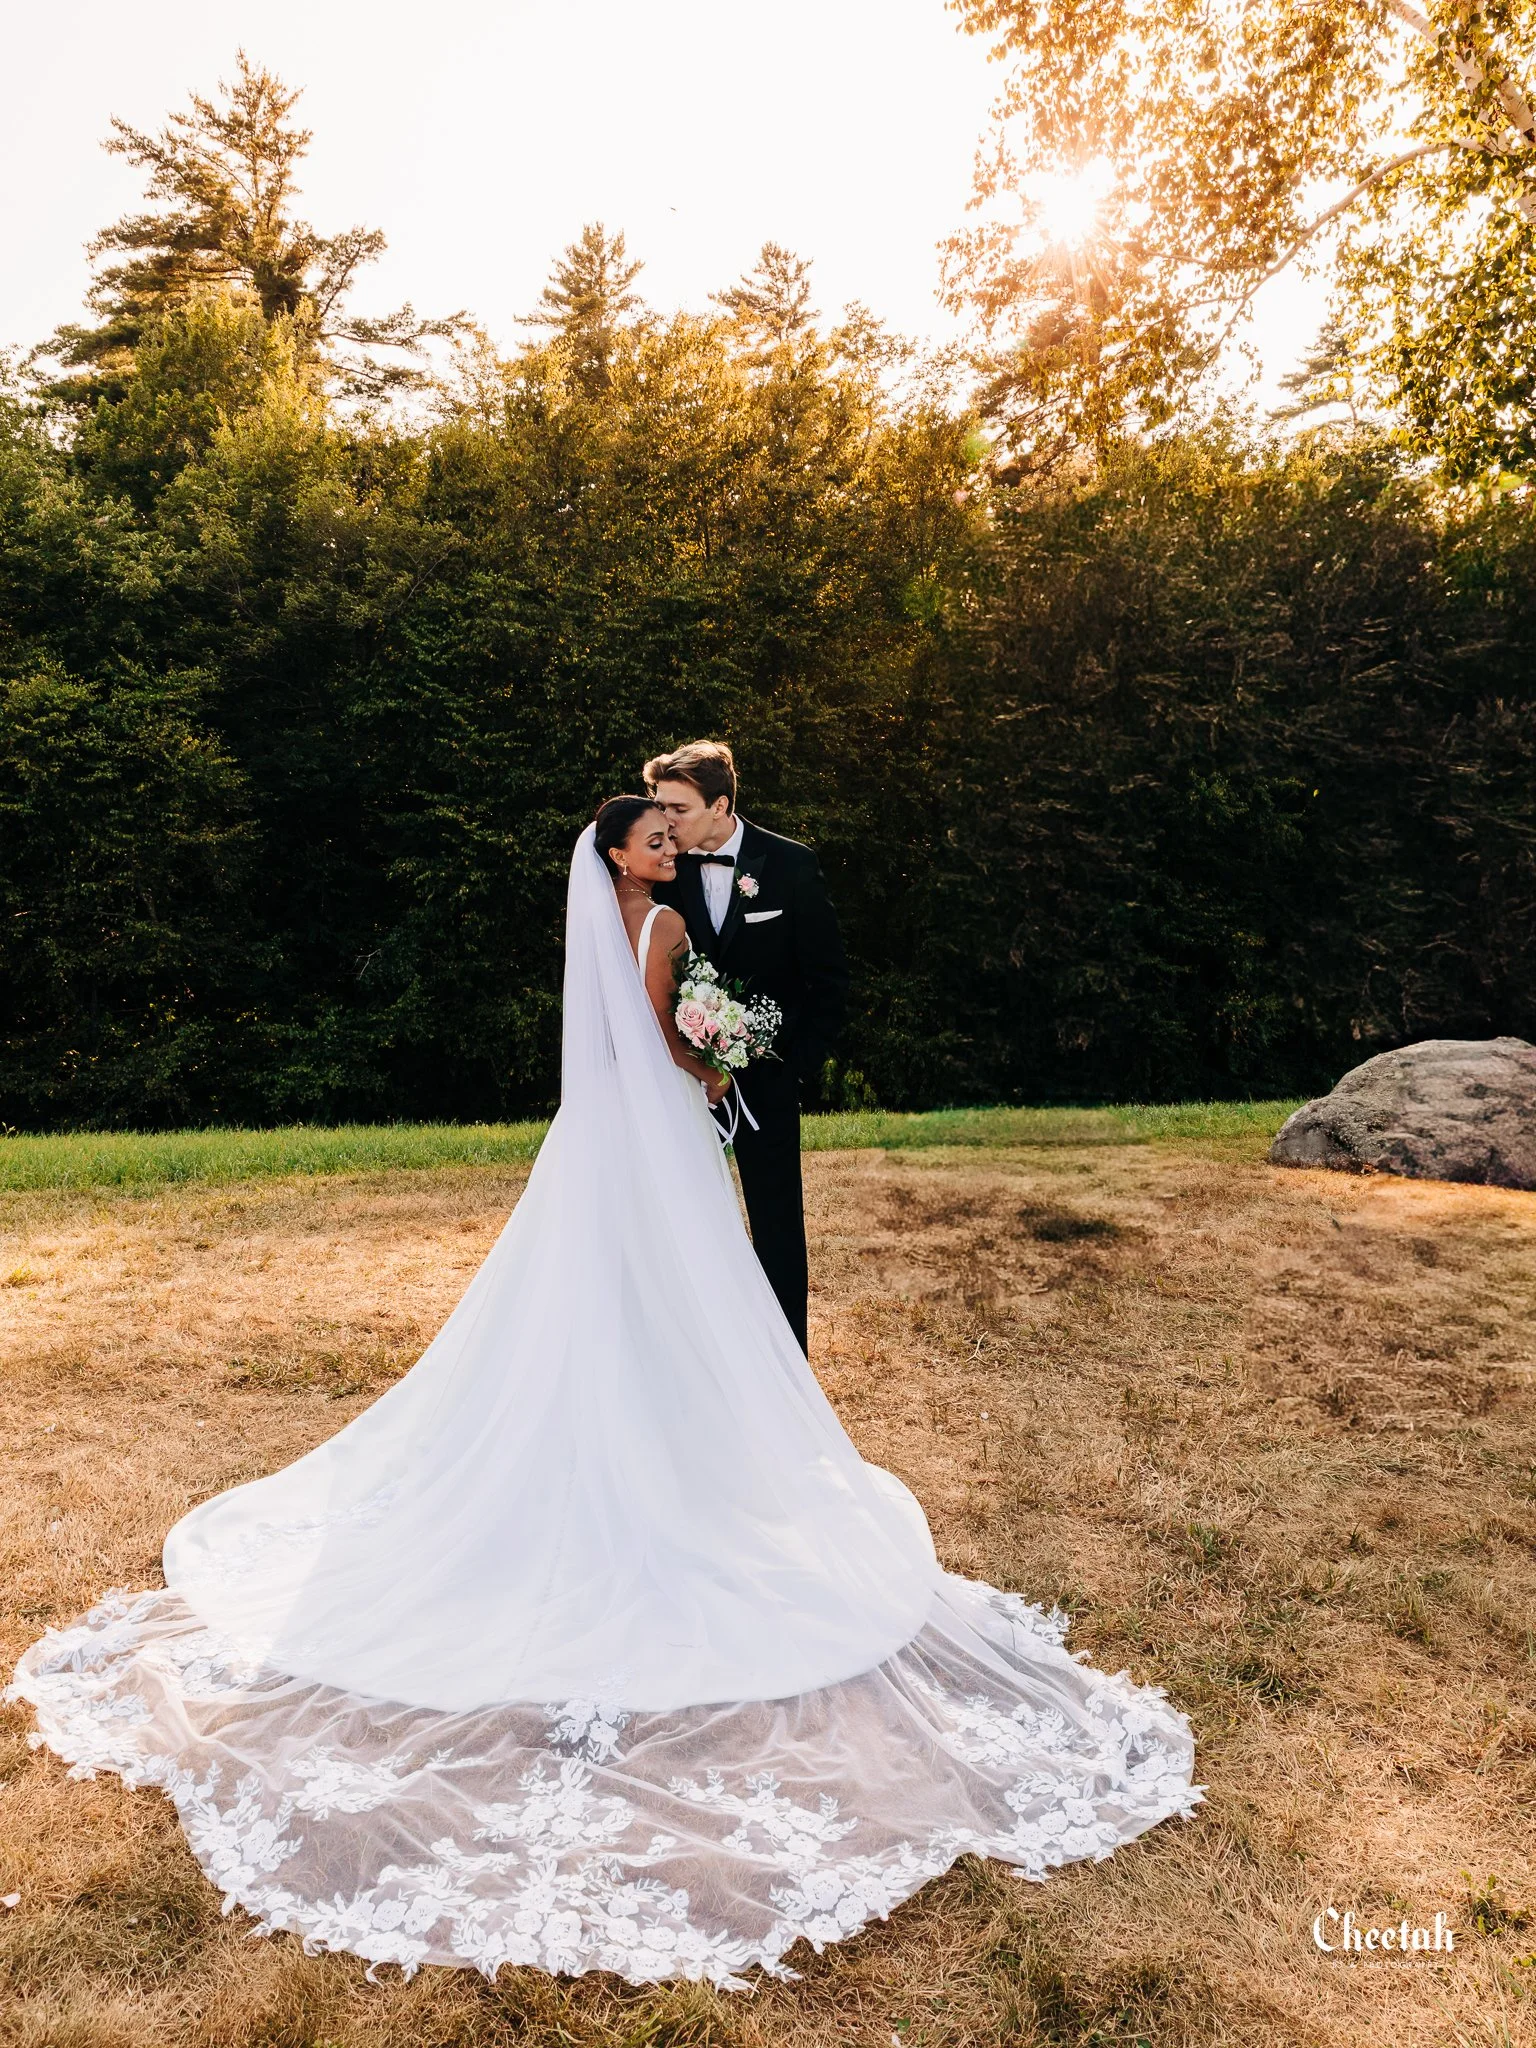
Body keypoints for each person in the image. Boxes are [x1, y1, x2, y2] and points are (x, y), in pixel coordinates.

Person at [10, 803, 1199, 1992]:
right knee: (684, 1292)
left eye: (673, 838)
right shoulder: (668, 921)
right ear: (621, 855)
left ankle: (610, 1440)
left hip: (595, 1143)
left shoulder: (602, 920)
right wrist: (729, 1045)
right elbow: (684, 1051)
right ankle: (674, 1458)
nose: (669, 850)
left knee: (601, 1298)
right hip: (662, 1138)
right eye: (652, 839)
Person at [645, 740, 845, 1351]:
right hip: (679, 1080)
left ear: (720, 805)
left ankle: (788, 1366)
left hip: (766, 1080)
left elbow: (828, 979)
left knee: (777, 1223)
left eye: (676, 808)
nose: (664, 821)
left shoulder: (788, 864)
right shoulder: (657, 871)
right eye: (658, 806)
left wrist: (794, 1068)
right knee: (679, 1221)